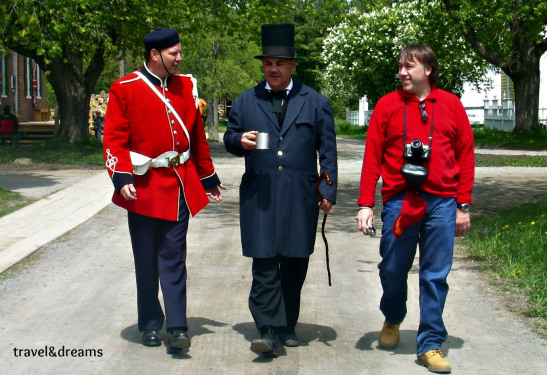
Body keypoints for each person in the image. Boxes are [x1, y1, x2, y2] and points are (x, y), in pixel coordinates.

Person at [102, 28, 224, 353]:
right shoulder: (124, 89)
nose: (180, 58)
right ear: (155, 55)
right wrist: (121, 176)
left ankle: (178, 326)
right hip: (142, 188)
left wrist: (208, 177)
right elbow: (114, 139)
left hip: (180, 185)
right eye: (174, 54)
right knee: (146, 260)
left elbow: (196, 136)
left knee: (174, 257)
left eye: (180, 52)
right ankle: (151, 324)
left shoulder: (186, 85)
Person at [355, 44, 474, 373]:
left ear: (428, 69)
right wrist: (365, 203)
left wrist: (463, 203)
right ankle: (393, 317)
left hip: (443, 202)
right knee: (392, 268)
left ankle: (431, 343)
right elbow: (372, 157)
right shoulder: (387, 106)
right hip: (400, 201)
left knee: (435, 274)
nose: (403, 73)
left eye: (410, 67)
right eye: (401, 67)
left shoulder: (450, 105)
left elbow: (466, 156)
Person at [224, 23, 337, 358]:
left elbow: (327, 152)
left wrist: (327, 191)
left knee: (294, 261)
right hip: (260, 196)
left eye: (280, 63)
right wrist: (237, 142)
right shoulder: (245, 101)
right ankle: (268, 329)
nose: (273, 69)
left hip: (300, 196)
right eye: (268, 63)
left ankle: (287, 325)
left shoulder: (316, 102)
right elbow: (230, 139)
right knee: (264, 263)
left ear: (293, 66)